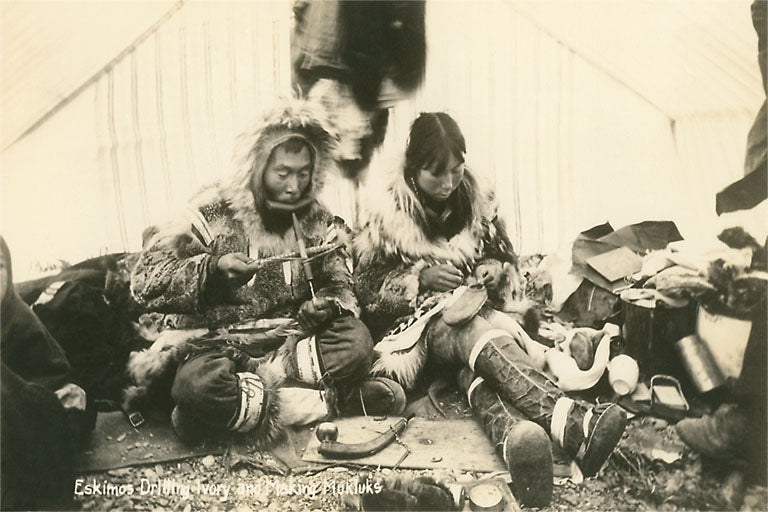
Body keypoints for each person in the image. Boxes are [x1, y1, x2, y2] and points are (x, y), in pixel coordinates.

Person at [353, 112, 628, 499]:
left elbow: (505, 256)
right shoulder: (384, 213)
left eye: (456, 170)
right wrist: (418, 279)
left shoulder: (478, 198)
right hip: (415, 336)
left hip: (474, 323)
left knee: (476, 366)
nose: (448, 183)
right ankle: (572, 419)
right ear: (414, 169)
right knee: (472, 330)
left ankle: (516, 440)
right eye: (436, 174)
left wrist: (494, 269)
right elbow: (365, 291)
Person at [128, 96, 405, 443]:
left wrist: (326, 305)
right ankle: (334, 402)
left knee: (357, 343)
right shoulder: (211, 210)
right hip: (214, 346)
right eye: (283, 173)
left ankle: (221, 415)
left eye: (304, 173)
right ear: (257, 166)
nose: (294, 187)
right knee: (196, 384)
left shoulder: (316, 216)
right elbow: (146, 279)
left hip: (290, 344)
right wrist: (212, 270)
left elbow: (338, 279)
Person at [1, 236, 95, 510]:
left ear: (9, 272)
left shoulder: (21, 322)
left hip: (36, 424)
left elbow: (56, 392)